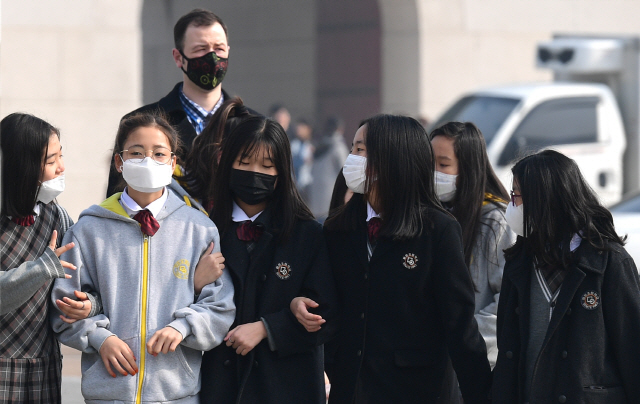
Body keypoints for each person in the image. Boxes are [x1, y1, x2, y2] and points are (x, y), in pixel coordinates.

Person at [51, 113, 236, 403]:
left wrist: (183, 326)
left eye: (159, 153)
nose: (148, 160)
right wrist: (101, 339)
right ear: (119, 162)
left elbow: (220, 307)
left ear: (173, 163)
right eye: (136, 153)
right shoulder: (88, 229)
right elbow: (64, 307)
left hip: (178, 394)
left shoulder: (198, 228)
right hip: (109, 393)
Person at [317, 114, 491, 403]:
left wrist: (482, 395)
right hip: (350, 387)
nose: (352, 158)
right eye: (353, 149)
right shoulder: (337, 228)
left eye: (361, 150)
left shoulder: (437, 230)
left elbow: (460, 325)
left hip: (415, 388)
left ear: (393, 158)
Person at [199, 116, 338, 404]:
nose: (254, 173)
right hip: (222, 384)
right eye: (245, 162)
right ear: (228, 164)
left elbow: (327, 313)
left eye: (267, 166)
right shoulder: (204, 229)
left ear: (283, 172)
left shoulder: (307, 233)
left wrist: (267, 328)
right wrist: (196, 282)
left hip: (286, 386)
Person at [492, 150, 640, 403]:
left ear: (545, 199)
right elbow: (507, 342)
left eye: (517, 195)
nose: (512, 205)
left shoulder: (609, 261)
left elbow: (632, 349)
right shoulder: (520, 261)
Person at [106, 8, 255, 196]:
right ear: (178, 57)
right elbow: (117, 200)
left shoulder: (253, 125)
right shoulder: (139, 124)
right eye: (200, 49)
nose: (212, 57)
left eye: (219, 48)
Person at [0, 113, 90, 402]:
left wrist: (88, 304)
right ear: (21, 166)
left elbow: (85, 282)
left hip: (42, 367)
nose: (62, 168)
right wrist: (41, 269)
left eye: (60, 156)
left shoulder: (58, 216)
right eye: (51, 161)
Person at [430, 122, 515, 367]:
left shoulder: (495, 220)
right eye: (430, 163)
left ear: (468, 168)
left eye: (443, 164)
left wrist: (467, 340)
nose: (434, 172)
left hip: (477, 362)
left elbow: (508, 299)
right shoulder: (435, 214)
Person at [180, 97, 252, 211]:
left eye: (266, 164)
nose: (256, 171)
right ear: (220, 156)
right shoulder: (187, 206)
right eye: (245, 161)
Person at [309, 116, 349, 220]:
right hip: (331, 197)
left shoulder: (319, 146)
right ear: (340, 129)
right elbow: (345, 173)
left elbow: (312, 171)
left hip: (316, 197)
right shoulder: (338, 147)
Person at [290, 118, 314, 200]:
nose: (299, 130)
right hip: (293, 185)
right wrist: (303, 160)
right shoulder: (293, 144)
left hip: (307, 185)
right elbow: (291, 161)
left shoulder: (312, 146)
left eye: (302, 128)